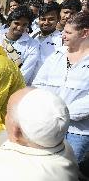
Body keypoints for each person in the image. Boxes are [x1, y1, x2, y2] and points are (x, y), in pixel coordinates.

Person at [32, 12, 89, 168]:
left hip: (78, 133)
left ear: (85, 33)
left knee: (69, 171)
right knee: (47, 169)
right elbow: (39, 84)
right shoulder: (57, 55)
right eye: (63, 30)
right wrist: (47, 110)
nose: (63, 35)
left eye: (68, 32)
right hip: (51, 126)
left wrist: (63, 113)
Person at [0, 6, 39, 85]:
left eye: (24, 25)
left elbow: (24, 74)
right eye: (16, 23)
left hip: (14, 87)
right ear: (9, 22)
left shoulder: (32, 45)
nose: (19, 27)